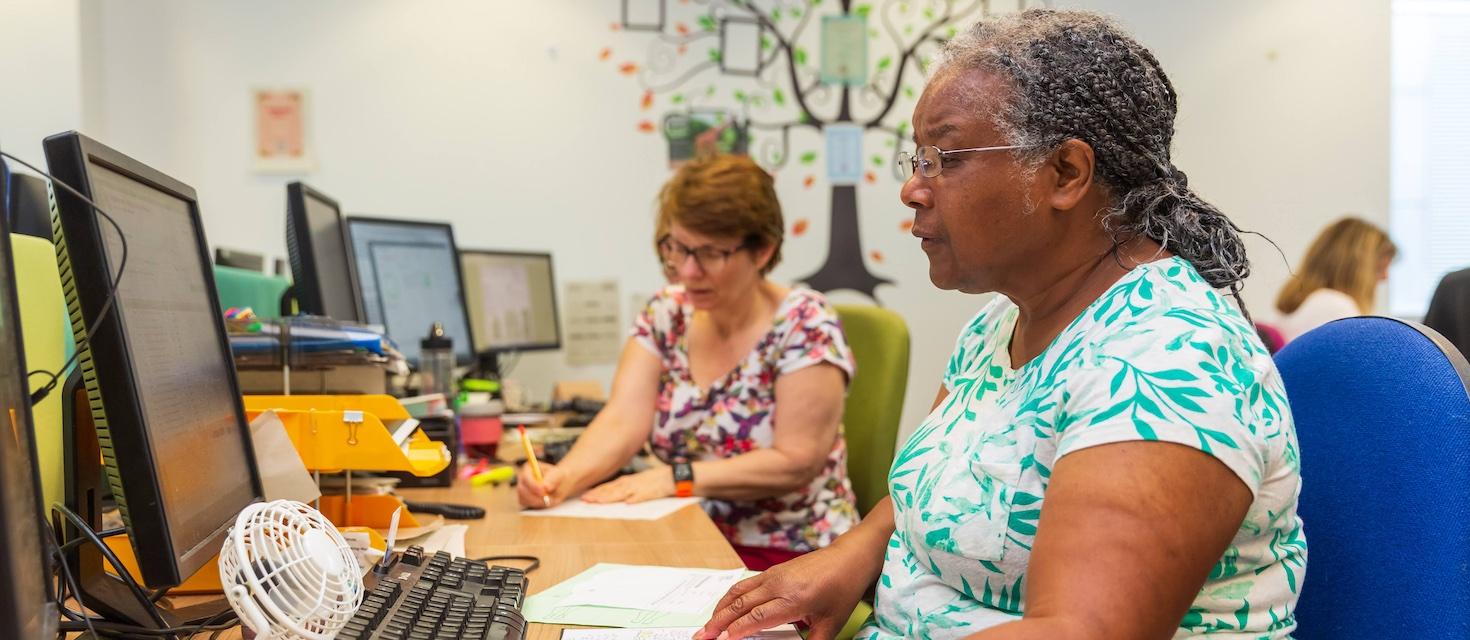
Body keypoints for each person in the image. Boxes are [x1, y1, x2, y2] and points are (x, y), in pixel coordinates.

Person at [696, 10, 1306, 639]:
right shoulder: (1001, 324)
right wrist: (847, 557)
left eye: (944, 158)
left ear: (1066, 173)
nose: (912, 188)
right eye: (918, 158)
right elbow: (930, 496)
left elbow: (1078, 632)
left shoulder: (1168, 356)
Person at [516, 154, 860, 571]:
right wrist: (561, 478)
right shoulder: (667, 311)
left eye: (710, 253)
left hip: (791, 553)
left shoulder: (805, 323)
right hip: (688, 530)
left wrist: (674, 477)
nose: (688, 272)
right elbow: (624, 417)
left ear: (763, 250)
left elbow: (796, 461)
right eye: (677, 248)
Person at [1273, 217, 1397, 342]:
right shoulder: (1336, 306)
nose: (1385, 277)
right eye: (1380, 268)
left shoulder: (1299, 303)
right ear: (1357, 268)